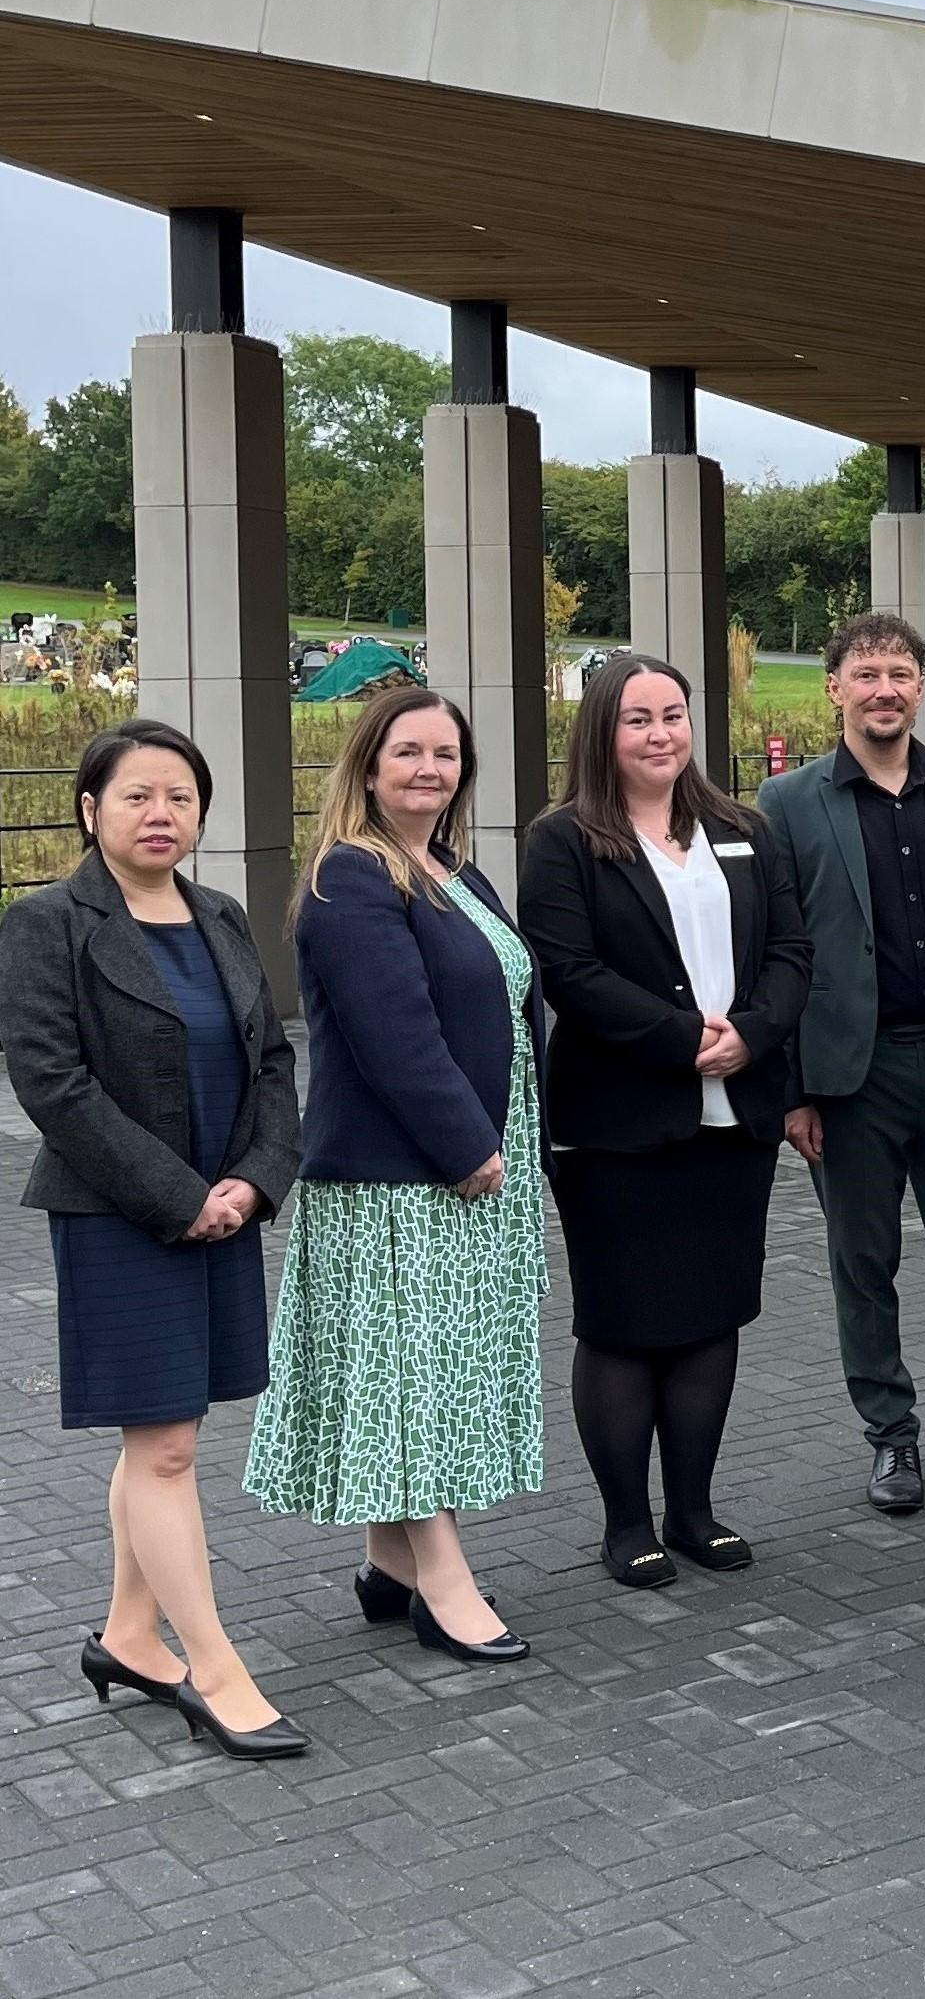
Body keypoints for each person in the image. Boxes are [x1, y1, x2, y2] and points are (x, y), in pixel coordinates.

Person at [0, 721, 305, 1758]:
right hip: (123, 1217)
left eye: (179, 795)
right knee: (164, 1442)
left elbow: (273, 1060)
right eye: (136, 795)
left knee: (167, 1437)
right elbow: (53, 1082)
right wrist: (181, 1196)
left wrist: (256, 1182)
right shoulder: (48, 923)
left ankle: (131, 1633)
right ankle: (212, 1666)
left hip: (226, 1207)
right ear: (90, 810)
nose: (160, 812)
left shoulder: (219, 914)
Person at [244, 689, 544, 1666]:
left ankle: (389, 1564)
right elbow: (394, 1037)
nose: (427, 767)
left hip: (467, 1171)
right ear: (368, 768)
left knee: (434, 1368)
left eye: (445, 753)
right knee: (414, 1378)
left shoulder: (453, 872)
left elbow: (512, 1000)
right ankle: (442, 1583)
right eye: (406, 751)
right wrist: (467, 1145)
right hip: (399, 1181)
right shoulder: (349, 878)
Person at [519, 655, 812, 1589]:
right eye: (638, 719)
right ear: (602, 732)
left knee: (709, 1317)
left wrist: (752, 1036)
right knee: (622, 1324)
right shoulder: (564, 840)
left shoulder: (743, 829)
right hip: (618, 1123)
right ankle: (625, 1523)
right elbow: (567, 970)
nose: (660, 734)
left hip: (736, 1117)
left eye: (674, 716)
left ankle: (693, 1510)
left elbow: (794, 949)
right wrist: (685, 1039)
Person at [760, 613, 925, 1520]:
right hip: (851, 1076)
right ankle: (890, 1434)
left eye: (901, 674)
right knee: (861, 1261)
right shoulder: (789, 804)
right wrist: (792, 1090)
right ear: (833, 686)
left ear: (922, 687)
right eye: (866, 673)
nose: (885, 690)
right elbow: (779, 948)